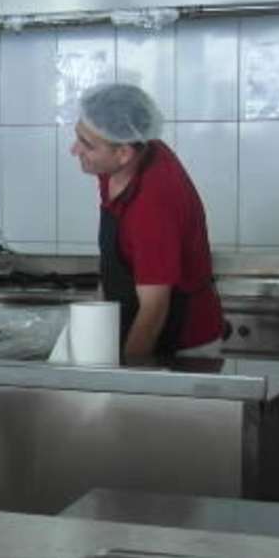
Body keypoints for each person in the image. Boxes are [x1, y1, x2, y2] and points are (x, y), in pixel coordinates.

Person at [68, 81, 224, 361]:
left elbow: (154, 310)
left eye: (87, 145)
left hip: (180, 345)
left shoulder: (153, 205)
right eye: (78, 137)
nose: (74, 150)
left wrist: (127, 377)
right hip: (136, 319)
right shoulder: (124, 159)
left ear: (124, 154)